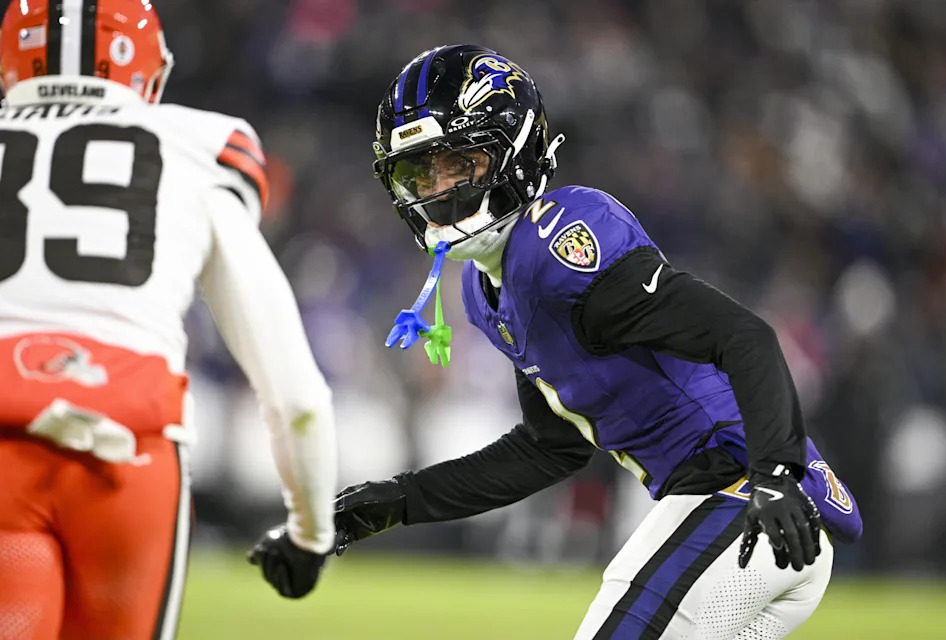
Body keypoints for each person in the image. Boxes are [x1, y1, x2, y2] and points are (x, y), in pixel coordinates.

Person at [332, 45, 862, 639]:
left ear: (514, 154)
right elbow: (549, 448)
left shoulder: (559, 243)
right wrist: (403, 500)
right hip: (739, 511)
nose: (436, 189)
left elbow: (745, 337)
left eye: (458, 164)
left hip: (747, 497)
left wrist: (776, 473)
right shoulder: (486, 291)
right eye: (420, 173)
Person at [0, 2, 336, 638]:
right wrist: (310, 533)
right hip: (125, 448)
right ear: (145, 70)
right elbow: (297, 396)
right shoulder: (192, 146)